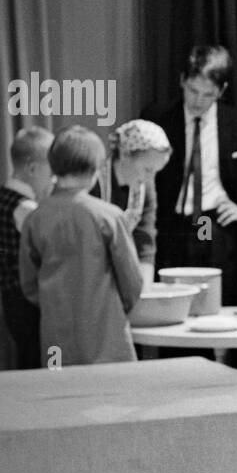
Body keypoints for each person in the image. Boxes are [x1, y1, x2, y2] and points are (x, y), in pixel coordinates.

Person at [143, 45, 237, 304]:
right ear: (182, 81)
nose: (197, 101)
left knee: (219, 298)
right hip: (173, 226)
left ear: (222, 91)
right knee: (175, 303)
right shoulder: (159, 120)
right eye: (192, 91)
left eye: (208, 95)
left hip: (213, 224)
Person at [20, 126, 144, 366]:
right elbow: (132, 282)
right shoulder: (109, 216)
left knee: (62, 397)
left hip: (56, 332)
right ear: (95, 169)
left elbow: (28, 282)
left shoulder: (36, 217)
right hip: (106, 333)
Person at [0, 126, 54, 369]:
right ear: (34, 169)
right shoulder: (26, 209)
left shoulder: (2, 196)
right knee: (35, 360)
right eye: (51, 169)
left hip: (12, 298)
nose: (54, 177)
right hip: (27, 301)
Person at [91, 119, 173, 284]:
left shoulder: (145, 188)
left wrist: (144, 291)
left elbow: (145, 243)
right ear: (125, 154)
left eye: (156, 172)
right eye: (147, 169)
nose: (150, 178)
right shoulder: (93, 182)